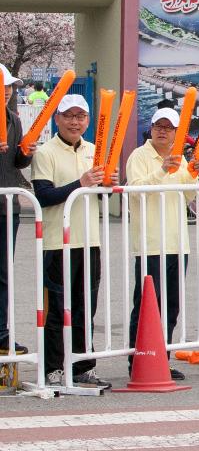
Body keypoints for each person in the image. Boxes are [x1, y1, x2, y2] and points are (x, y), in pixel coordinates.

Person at [31, 94, 109, 388]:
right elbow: (43, 195)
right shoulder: (46, 152)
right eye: (69, 116)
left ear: (88, 121)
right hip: (56, 242)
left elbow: (104, 189)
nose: (75, 122)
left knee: (85, 307)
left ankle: (81, 366)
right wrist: (81, 183)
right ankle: (53, 367)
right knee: (57, 310)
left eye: (81, 116)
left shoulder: (94, 150)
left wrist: (109, 181)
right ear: (57, 118)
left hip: (90, 241)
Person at [123, 107, 193, 381]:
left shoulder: (179, 157)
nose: (162, 131)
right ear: (151, 128)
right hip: (151, 243)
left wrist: (192, 174)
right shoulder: (139, 156)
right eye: (158, 126)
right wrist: (162, 171)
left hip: (178, 242)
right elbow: (137, 193)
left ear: (176, 132)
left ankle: (161, 357)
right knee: (145, 304)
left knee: (171, 305)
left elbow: (187, 198)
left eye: (168, 127)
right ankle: (137, 360)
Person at [0, 64, 31, 355]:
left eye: (10, 86)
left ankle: (1, 332)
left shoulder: (14, 119)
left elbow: (16, 165)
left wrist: (25, 153)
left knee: (3, 272)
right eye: (3, 85)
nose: (7, 90)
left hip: (7, 207)